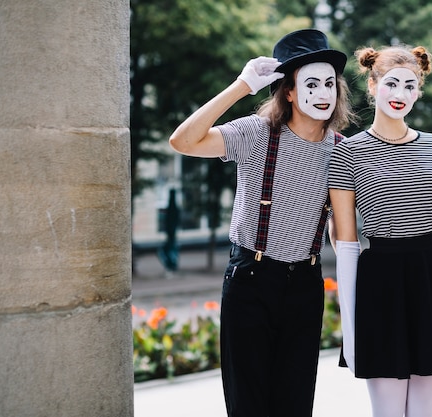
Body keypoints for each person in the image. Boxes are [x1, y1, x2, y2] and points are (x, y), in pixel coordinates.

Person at [169, 29, 354, 417]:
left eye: (330, 84)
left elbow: (340, 228)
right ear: (288, 91)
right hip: (251, 282)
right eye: (311, 83)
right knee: (248, 404)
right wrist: (241, 86)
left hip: (305, 286)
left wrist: (358, 283)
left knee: (295, 404)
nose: (323, 93)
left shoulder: (341, 150)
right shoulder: (255, 134)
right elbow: (182, 142)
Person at [328, 44, 432, 417]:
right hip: (381, 284)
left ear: (419, 90)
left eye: (410, 85)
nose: (400, 94)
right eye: (391, 84)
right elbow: (347, 244)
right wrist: (350, 330)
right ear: (372, 85)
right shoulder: (347, 153)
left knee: (424, 413)